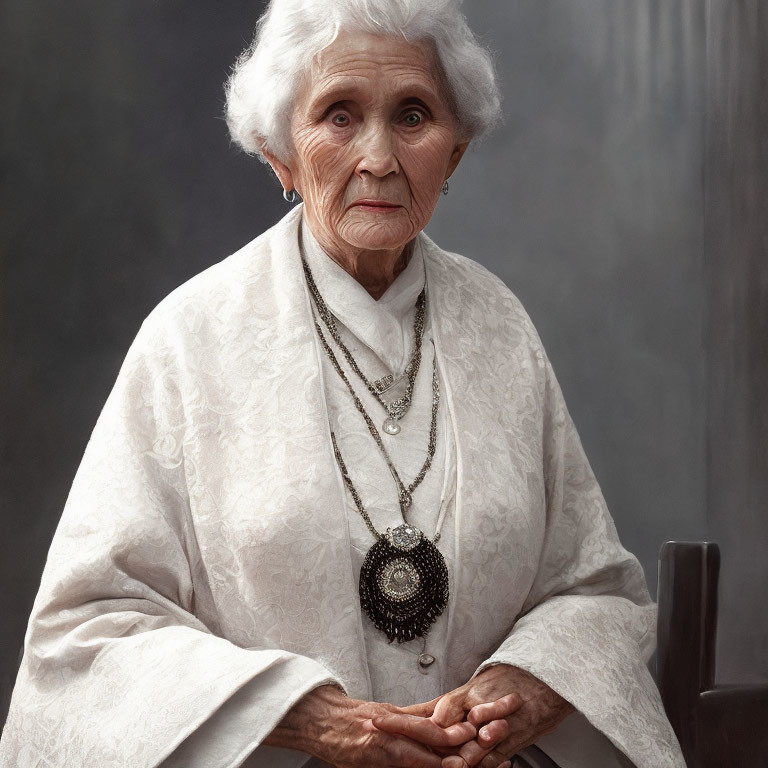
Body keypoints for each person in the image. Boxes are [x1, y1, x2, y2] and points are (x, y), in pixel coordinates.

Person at [0, 1, 686, 767]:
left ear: (453, 153)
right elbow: (89, 629)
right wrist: (301, 713)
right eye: (338, 116)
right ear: (279, 154)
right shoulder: (191, 337)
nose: (380, 158)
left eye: (414, 116)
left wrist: (521, 686)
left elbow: (592, 587)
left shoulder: (499, 325)